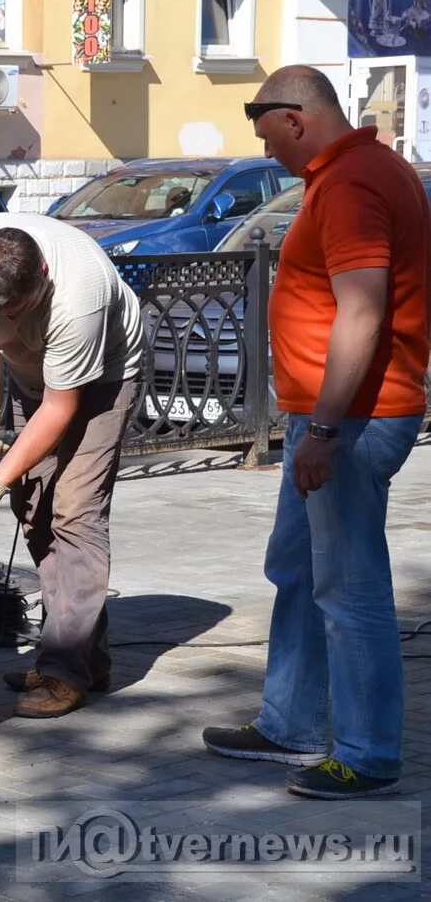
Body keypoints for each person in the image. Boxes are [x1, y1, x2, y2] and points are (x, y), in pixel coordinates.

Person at [203, 66, 430, 799]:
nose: (266, 150)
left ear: (296, 117)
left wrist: (325, 429)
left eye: (266, 133)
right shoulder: (350, 172)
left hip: (353, 421)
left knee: (349, 586)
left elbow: (361, 313)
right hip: (332, 419)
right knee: (298, 569)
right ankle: (290, 724)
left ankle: (366, 755)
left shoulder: (357, 181)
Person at [0, 213, 144, 719]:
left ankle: (63, 672)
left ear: (44, 276)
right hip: (34, 378)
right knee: (35, 510)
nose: (6, 323)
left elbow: (61, 406)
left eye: (20, 310)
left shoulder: (80, 297)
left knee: (75, 512)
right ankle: (79, 659)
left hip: (101, 381)